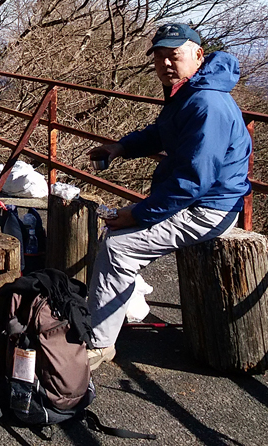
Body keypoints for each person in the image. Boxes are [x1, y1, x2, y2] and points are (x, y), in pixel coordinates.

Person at [85, 23, 251, 370]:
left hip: (209, 208)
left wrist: (139, 214)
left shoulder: (206, 103)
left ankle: (99, 344)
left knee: (119, 247)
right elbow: (162, 132)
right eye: (159, 57)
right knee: (115, 232)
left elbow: (193, 180)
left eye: (173, 55)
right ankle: (109, 315)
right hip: (197, 199)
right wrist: (121, 147)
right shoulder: (190, 92)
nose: (165, 64)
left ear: (198, 55)